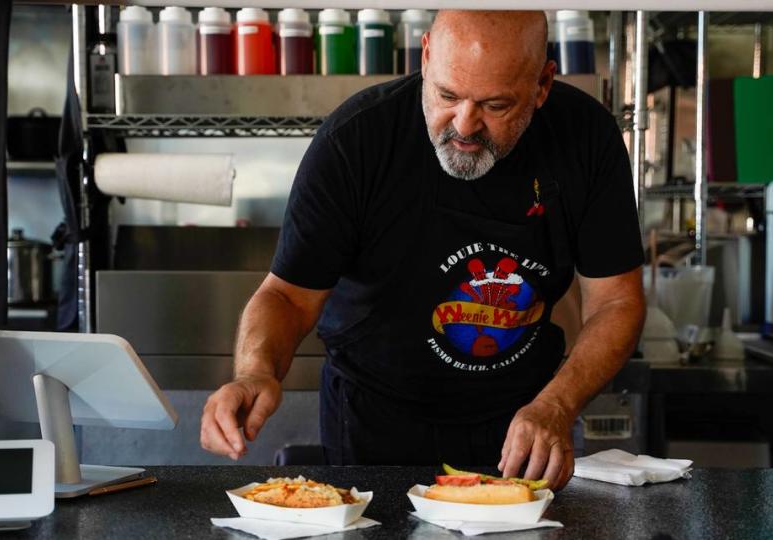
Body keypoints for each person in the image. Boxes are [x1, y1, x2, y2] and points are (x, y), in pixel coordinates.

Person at [201, 10, 645, 490]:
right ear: (427, 54)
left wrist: (557, 405)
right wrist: (254, 372)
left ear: (542, 85)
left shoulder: (587, 139)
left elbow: (616, 301)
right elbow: (288, 296)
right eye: (447, 95)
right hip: (374, 418)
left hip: (523, 416)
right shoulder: (357, 140)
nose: (465, 125)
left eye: (495, 106)